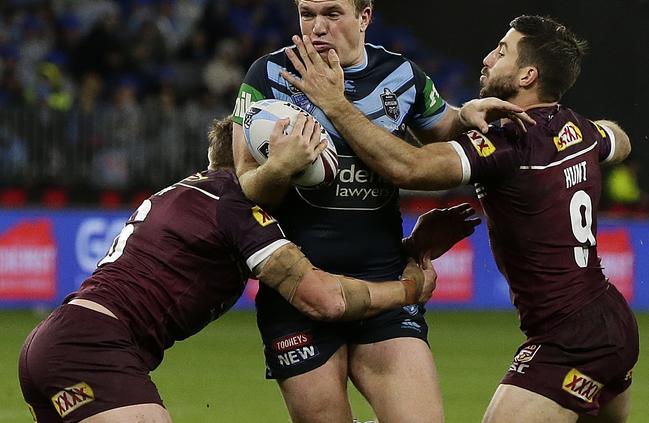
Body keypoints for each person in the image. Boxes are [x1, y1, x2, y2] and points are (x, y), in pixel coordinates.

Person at [283, 15, 639, 422]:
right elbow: (621, 140)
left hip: (570, 338)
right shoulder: (578, 128)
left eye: (502, 51)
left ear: (528, 75)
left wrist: (336, 104)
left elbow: (408, 168)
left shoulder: (511, 140)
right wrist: (589, 133)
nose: (487, 59)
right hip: (612, 322)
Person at [17, 114, 480, 423]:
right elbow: (322, 296)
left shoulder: (195, 194)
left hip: (65, 342)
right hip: (92, 350)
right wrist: (408, 288)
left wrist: (407, 246)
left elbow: (316, 264)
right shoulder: (232, 202)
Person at [231, 0, 532, 423]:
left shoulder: (402, 76)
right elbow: (248, 187)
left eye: (333, 14)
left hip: (384, 280)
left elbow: (446, 129)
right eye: (307, 14)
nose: (317, 27)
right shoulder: (266, 78)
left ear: (364, 16)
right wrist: (282, 168)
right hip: (300, 292)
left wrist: (468, 113)